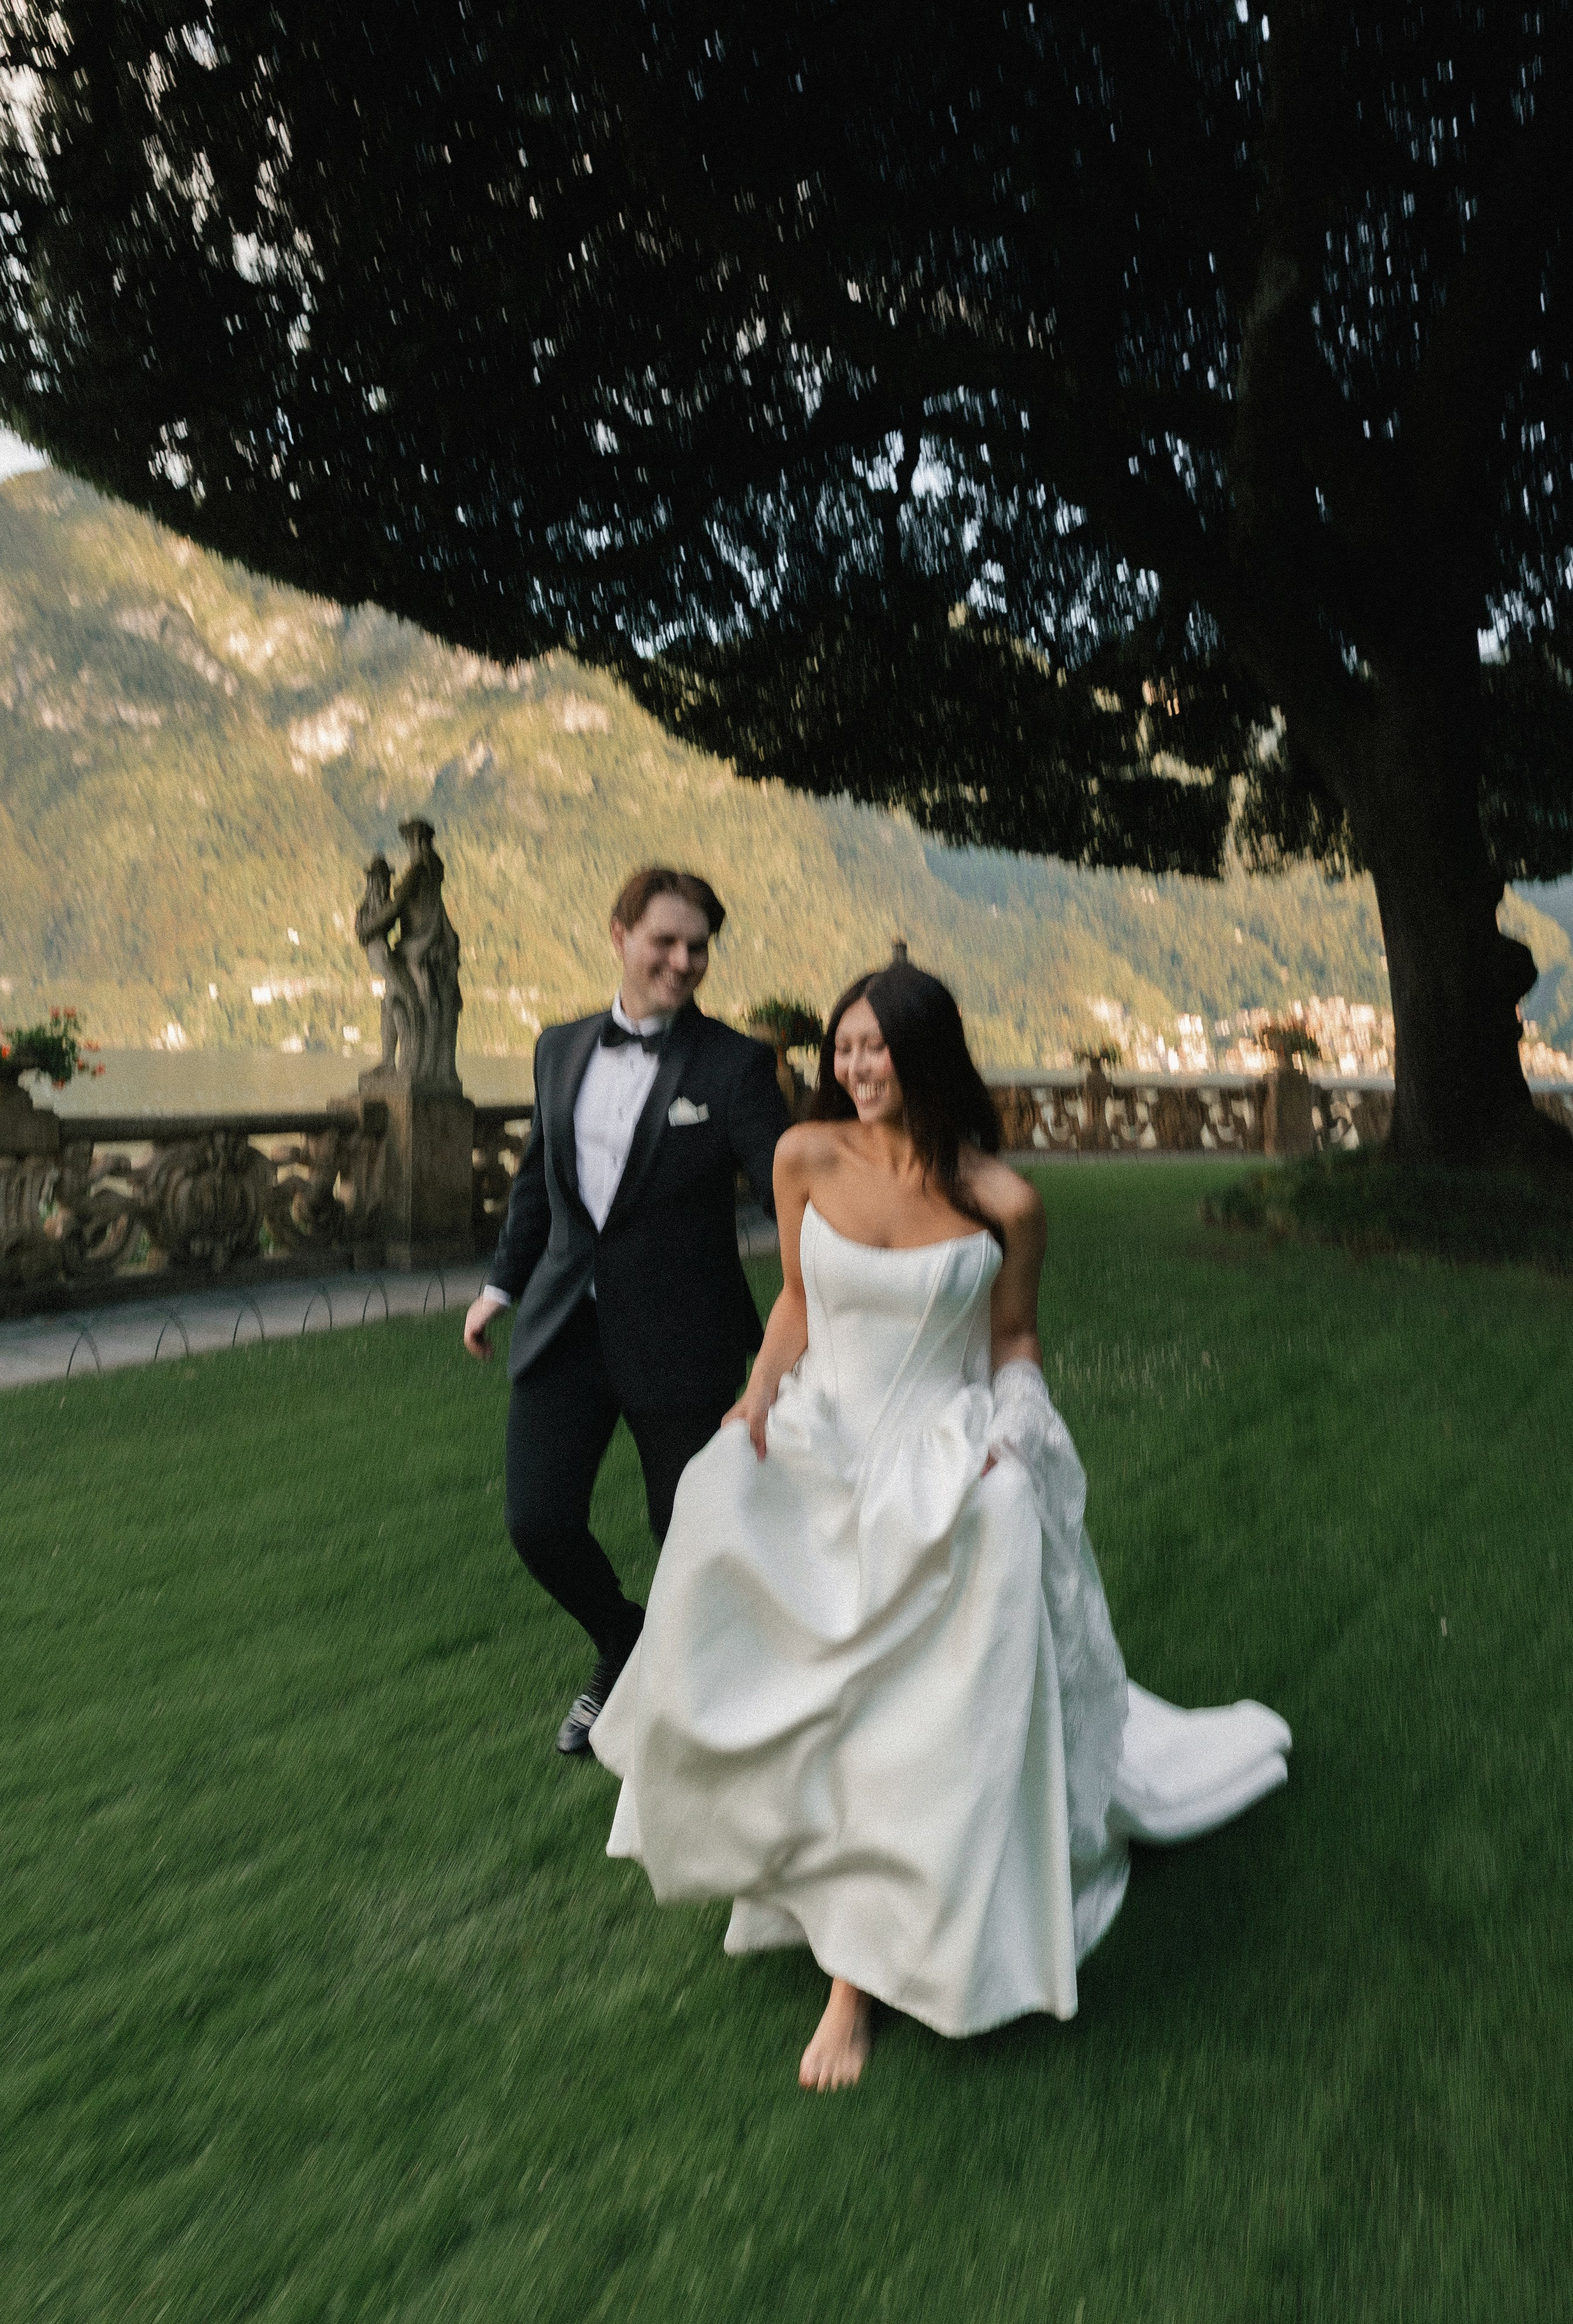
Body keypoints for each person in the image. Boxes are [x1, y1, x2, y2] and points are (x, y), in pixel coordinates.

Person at [591, 962, 1291, 2088]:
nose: (858, 1068)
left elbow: (1013, 1340)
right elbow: (799, 1305)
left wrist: (1014, 1433)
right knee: (722, 1521)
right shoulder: (803, 1156)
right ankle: (789, 1864)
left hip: (938, 1450)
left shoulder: (1004, 1202)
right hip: (826, 1435)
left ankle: (855, 1985)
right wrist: (755, 1399)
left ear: (929, 1056)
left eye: (878, 1048)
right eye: (846, 1048)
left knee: (930, 1658)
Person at [463, 868, 790, 1756]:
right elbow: (540, 1180)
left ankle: (704, 1707)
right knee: (539, 1522)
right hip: (565, 1326)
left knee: (687, 1531)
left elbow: (783, 1186)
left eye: (698, 947)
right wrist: (501, 1286)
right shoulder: (559, 1047)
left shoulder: (734, 1065)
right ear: (620, 935)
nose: (683, 962)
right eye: (665, 941)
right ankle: (620, 1637)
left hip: (685, 1337)